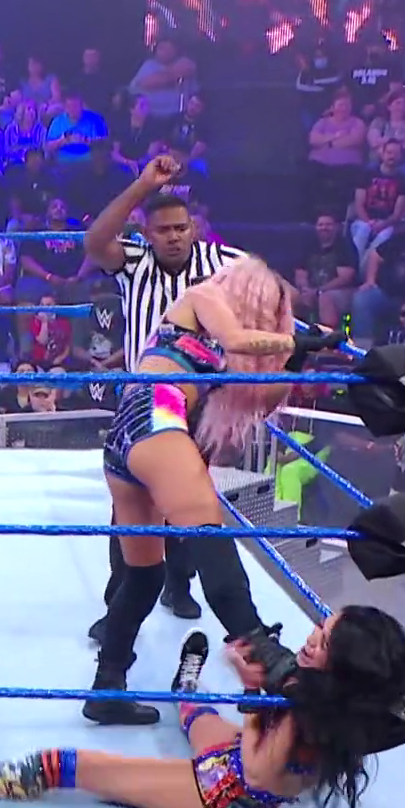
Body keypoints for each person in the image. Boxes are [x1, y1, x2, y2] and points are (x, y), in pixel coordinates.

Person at [76, 248, 340, 725]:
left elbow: (261, 401)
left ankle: (107, 686)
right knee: (210, 537)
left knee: (145, 576)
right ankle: (270, 665)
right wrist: (293, 337)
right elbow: (238, 337)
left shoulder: (220, 355)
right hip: (155, 412)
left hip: (130, 434)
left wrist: (297, 355)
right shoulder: (201, 299)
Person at [0, 606, 405, 808]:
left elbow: (259, 772)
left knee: (64, 764)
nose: (310, 638)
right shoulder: (334, 700)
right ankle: (185, 684)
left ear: (343, 665)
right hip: (239, 765)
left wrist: (252, 691)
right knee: (194, 711)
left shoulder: (310, 714)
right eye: (320, 627)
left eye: (323, 640)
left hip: (228, 794)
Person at [82, 155, 245, 632]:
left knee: (189, 496)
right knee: (131, 505)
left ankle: (179, 583)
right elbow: (94, 242)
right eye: (163, 230)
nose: (173, 236)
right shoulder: (133, 263)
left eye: (180, 228)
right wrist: (143, 185)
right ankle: (119, 603)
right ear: (146, 234)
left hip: (202, 398)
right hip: (145, 403)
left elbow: (272, 294)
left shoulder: (224, 264)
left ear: (194, 228)